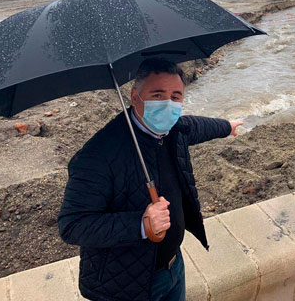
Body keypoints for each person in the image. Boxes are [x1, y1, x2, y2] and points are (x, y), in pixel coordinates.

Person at [58, 58, 243, 301]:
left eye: (176, 96)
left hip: (173, 267)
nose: (168, 104)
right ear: (135, 97)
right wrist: (140, 225)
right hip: (125, 285)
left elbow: (197, 126)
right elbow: (72, 225)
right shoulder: (98, 155)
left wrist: (227, 127)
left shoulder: (173, 130)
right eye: (158, 95)